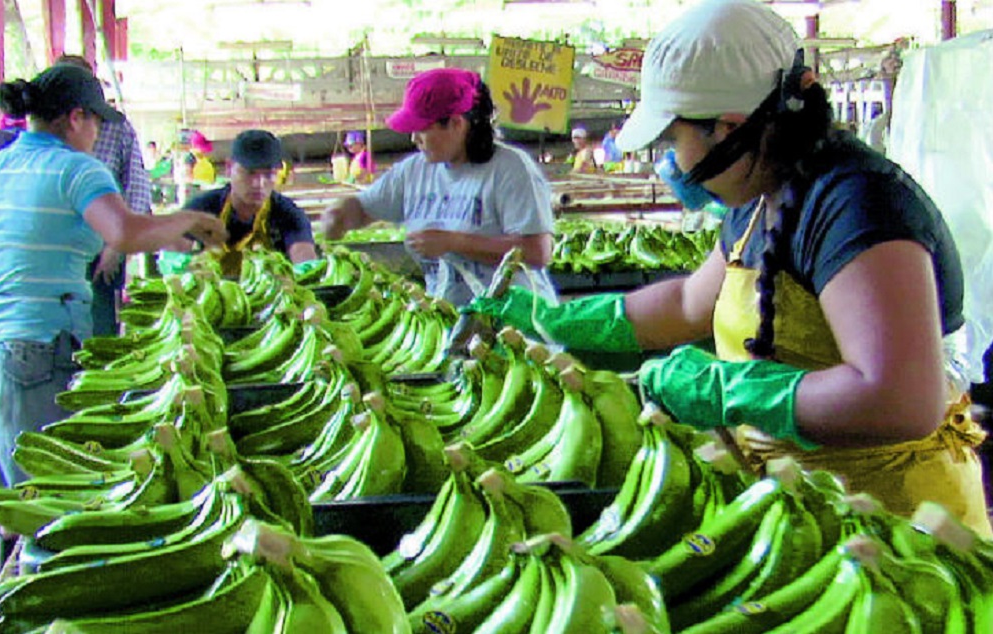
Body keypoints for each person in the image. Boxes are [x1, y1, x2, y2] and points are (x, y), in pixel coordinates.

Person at [465, 0, 991, 535]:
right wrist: (558, 320)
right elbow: (689, 303)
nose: (672, 160)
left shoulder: (857, 207)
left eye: (674, 139)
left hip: (899, 524)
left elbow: (900, 398)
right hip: (804, 506)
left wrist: (731, 389)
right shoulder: (762, 192)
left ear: (727, 128)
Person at [0, 64, 227, 487]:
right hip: (38, 349)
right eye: (97, 122)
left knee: (13, 495)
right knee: (48, 492)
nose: (99, 135)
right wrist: (191, 219)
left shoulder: (1, 164)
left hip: (1, 345)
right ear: (76, 118)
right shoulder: (77, 168)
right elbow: (125, 232)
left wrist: (171, 236)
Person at [321, 67, 556, 306]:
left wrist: (455, 243)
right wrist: (339, 214)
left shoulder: (511, 169)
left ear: (456, 124)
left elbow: (537, 252)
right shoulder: (414, 170)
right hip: (453, 320)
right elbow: (363, 208)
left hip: (516, 322)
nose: (414, 138)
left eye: (422, 128)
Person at [54, 55, 153, 338]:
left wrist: (117, 246)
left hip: (104, 248)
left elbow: (135, 187)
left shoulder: (117, 127)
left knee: (100, 333)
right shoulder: (46, 130)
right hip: (58, 251)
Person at [183, 129, 317, 264]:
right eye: (249, 173)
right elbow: (175, 249)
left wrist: (306, 268)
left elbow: (303, 256)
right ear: (229, 168)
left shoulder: (289, 215)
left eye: (268, 174)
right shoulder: (201, 209)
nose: (258, 183)